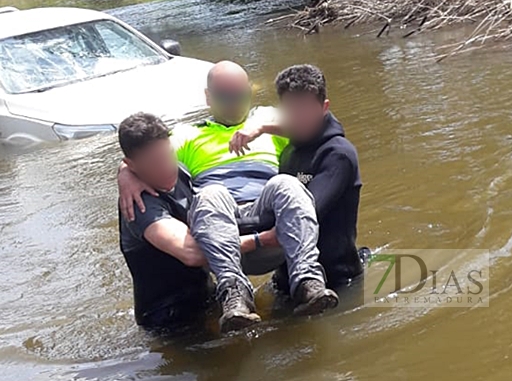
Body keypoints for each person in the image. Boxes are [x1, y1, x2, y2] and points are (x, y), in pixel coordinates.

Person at [118, 62, 338, 331]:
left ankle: (308, 282)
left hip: (269, 213)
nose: (234, 104)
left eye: (240, 96)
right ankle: (235, 295)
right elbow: (150, 155)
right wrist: (124, 174)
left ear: (250, 91)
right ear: (208, 98)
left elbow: (317, 127)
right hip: (221, 227)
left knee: (287, 183)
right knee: (211, 193)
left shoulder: (268, 119)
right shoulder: (188, 134)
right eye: (224, 97)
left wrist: (262, 129)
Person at [116, 112, 253, 331]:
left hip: (207, 295)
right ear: (131, 165)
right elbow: (193, 253)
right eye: (154, 163)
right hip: (168, 317)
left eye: (167, 155)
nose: (166, 166)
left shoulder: (177, 171)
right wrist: (264, 239)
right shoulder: (139, 206)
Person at [234, 64, 364, 290]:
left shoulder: (338, 155)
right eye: (291, 110)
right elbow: (271, 213)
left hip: (335, 280)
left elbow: (299, 216)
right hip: (286, 278)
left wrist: (238, 234)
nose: (299, 118)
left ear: (324, 108)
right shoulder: (289, 153)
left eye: (305, 109)